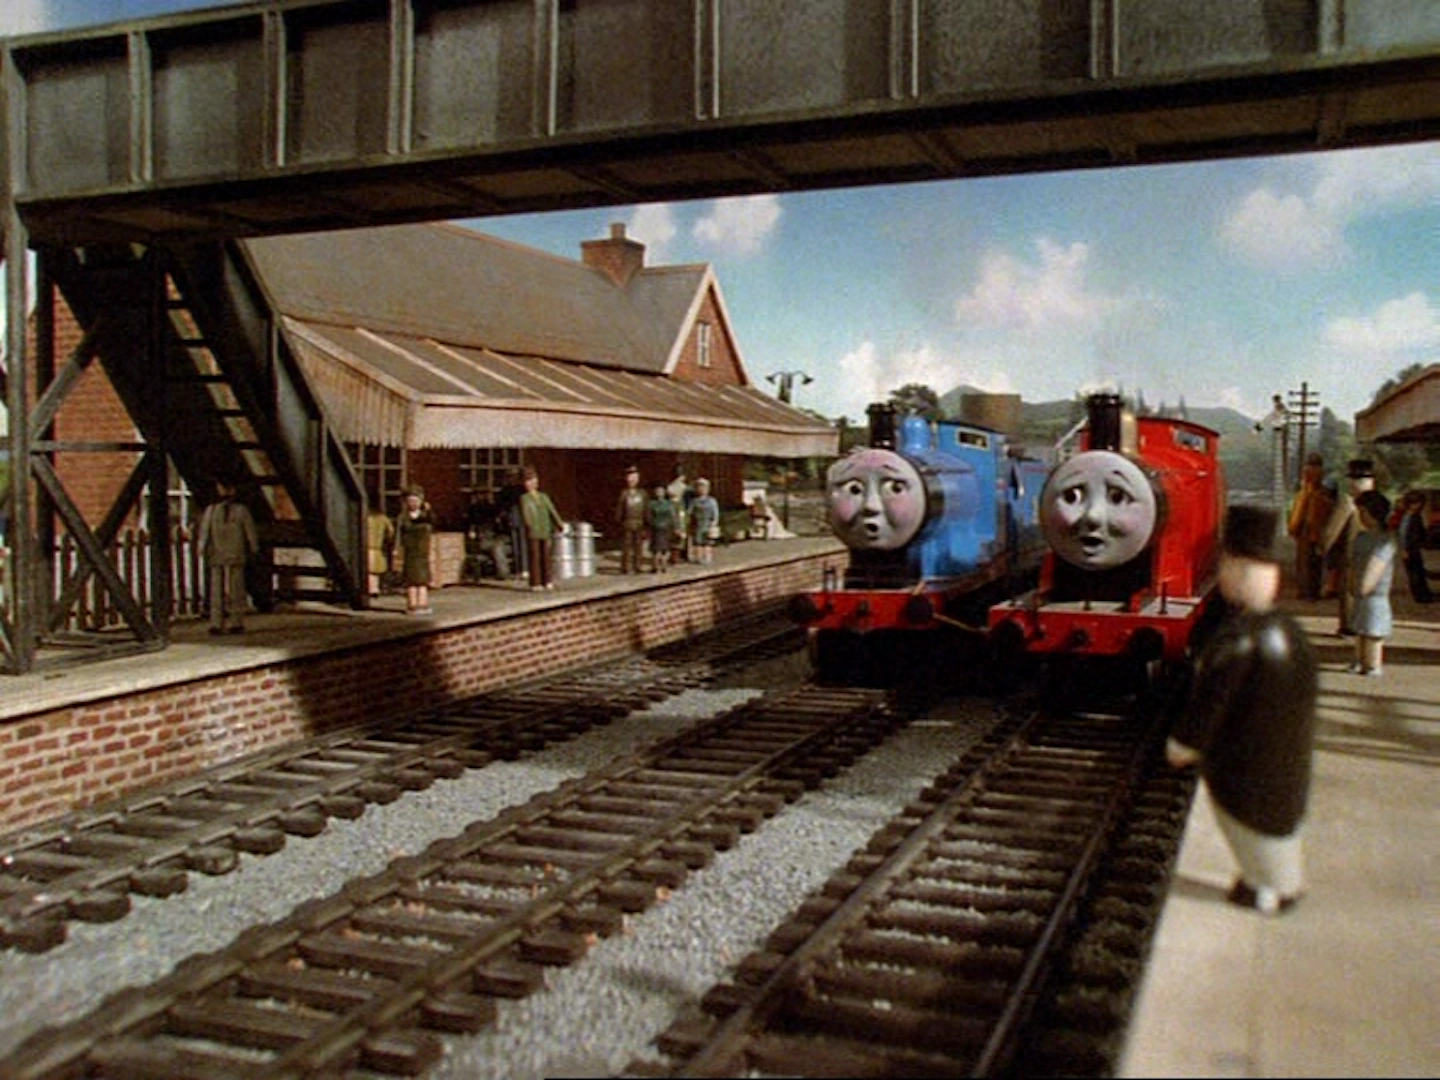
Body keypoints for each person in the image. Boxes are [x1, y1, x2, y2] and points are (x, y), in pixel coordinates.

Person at [1167, 504, 1318, 916]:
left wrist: (1186, 742)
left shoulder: (1241, 641)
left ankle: (1272, 889)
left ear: (1237, 570)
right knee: (1278, 821)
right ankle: (1271, 882)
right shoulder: (1292, 633)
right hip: (1287, 753)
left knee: (1252, 824)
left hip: (1245, 759)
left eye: (1228, 567)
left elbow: (1212, 700)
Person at [1320, 459, 1375, 635]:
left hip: (1351, 554)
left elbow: (1333, 529)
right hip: (1373, 554)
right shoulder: (1378, 501)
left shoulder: (1348, 502)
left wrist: (1323, 547)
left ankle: (1349, 625)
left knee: (1349, 592)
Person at [198, 478, 258, 636]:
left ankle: (236, 621)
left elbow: (249, 530)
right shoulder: (211, 510)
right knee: (216, 590)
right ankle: (216, 622)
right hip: (217, 552)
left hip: (235, 552)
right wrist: (202, 547)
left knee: (236, 588)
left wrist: (254, 547)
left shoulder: (241, 510)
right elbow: (204, 531)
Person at [1348, 490, 1396, 676]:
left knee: (1373, 631)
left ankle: (1373, 664)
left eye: (1363, 512)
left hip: (1375, 594)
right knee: (1360, 628)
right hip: (1361, 591)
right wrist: (1353, 583)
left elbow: (1376, 565)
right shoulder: (1361, 537)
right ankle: (1359, 660)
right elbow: (1353, 562)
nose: (1361, 517)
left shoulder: (1386, 540)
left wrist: (1365, 584)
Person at [1286, 452, 1331, 600]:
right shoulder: (1320, 493)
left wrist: (1293, 527)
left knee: (1307, 562)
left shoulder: (1307, 493)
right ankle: (1311, 591)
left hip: (1308, 529)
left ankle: (1307, 591)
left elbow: (1299, 512)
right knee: (1313, 562)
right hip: (1314, 529)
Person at [519, 466, 566, 590]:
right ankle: (536, 582)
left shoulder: (544, 497)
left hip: (545, 528)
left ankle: (547, 580)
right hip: (534, 530)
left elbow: (552, 510)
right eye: (528, 481)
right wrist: (528, 524)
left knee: (546, 555)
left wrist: (558, 523)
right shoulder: (525, 498)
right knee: (535, 556)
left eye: (534, 480)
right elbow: (526, 513)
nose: (531, 483)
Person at [395, 486, 434, 615]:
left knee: (422, 579)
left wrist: (429, 511)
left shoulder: (426, 515)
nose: (413, 503)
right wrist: (397, 548)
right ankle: (412, 604)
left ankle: (423, 604)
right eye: (410, 501)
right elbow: (398, 534)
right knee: (411, 579)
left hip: (423, 551)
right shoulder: (403, 517)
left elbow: (433, 521)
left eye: (416, 501)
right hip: (410, 551)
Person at [1399, 491, 1434, 604]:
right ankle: (1420, 595)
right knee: (1414, 573)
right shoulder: (1409, 517)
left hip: (1415, 548)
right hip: (1410, 548)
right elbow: (1403, 534)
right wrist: (1404, 549)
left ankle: (1424, 593)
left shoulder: (1415, 516)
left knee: (1418, 571)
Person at [495, 468, 527, 583]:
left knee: (522, 545)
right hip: (512, 520)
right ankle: (519, 569)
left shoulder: (521, 490)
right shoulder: (504, 491)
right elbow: (501, 507)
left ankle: (524, 568)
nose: (512, 479)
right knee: (516, 545)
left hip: (522, 519)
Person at [614, 465, 648, 574]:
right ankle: (626, 567)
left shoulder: (642, 493)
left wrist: (647, 521)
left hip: (639, 522)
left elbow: (645, 509)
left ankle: (638, 565)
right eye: (630, 478)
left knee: (638, 546)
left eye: (635, 478)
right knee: (626, 546)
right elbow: (619, 509)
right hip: (627, 522)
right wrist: (619, 520)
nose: (632, 480)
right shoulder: (624, 493)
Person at [365, 488, 395, 599]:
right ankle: (374, 588)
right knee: (375, 571)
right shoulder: (383, 519)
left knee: (369, 570)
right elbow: (390, 532)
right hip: (378, 547)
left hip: (367, 546)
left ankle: (370, 588)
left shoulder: (366, 518)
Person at [689, 477, 721, 566]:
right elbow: (690, 512)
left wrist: (714, 523)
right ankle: (699, 557)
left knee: (707, 542)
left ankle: (707, 557)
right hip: (698, 523)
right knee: (698, 542)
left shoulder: (711, 501)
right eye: (699, 487)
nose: (701, 489)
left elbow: (715, 513)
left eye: (703, 487)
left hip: (707, 523)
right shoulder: (694, 501)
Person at [646, 483, 677, 573]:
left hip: (666, 528)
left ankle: (664, 565)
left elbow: (673, 516)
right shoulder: (651, 504)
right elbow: (648, 516)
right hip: (656, 528)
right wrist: (650, 525)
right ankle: (655, 566)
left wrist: (675, 527)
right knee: (655, 549)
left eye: (661, 491)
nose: (659, 493)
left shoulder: (668, 504)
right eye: (657, 491)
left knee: (665, 548)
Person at [667, 463, 692, 561]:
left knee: (683, 530)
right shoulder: (672, 487)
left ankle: (683, 553)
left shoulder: (685, 487)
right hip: (676, 509)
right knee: (676, 530)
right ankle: (676, 554)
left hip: (683, 509)